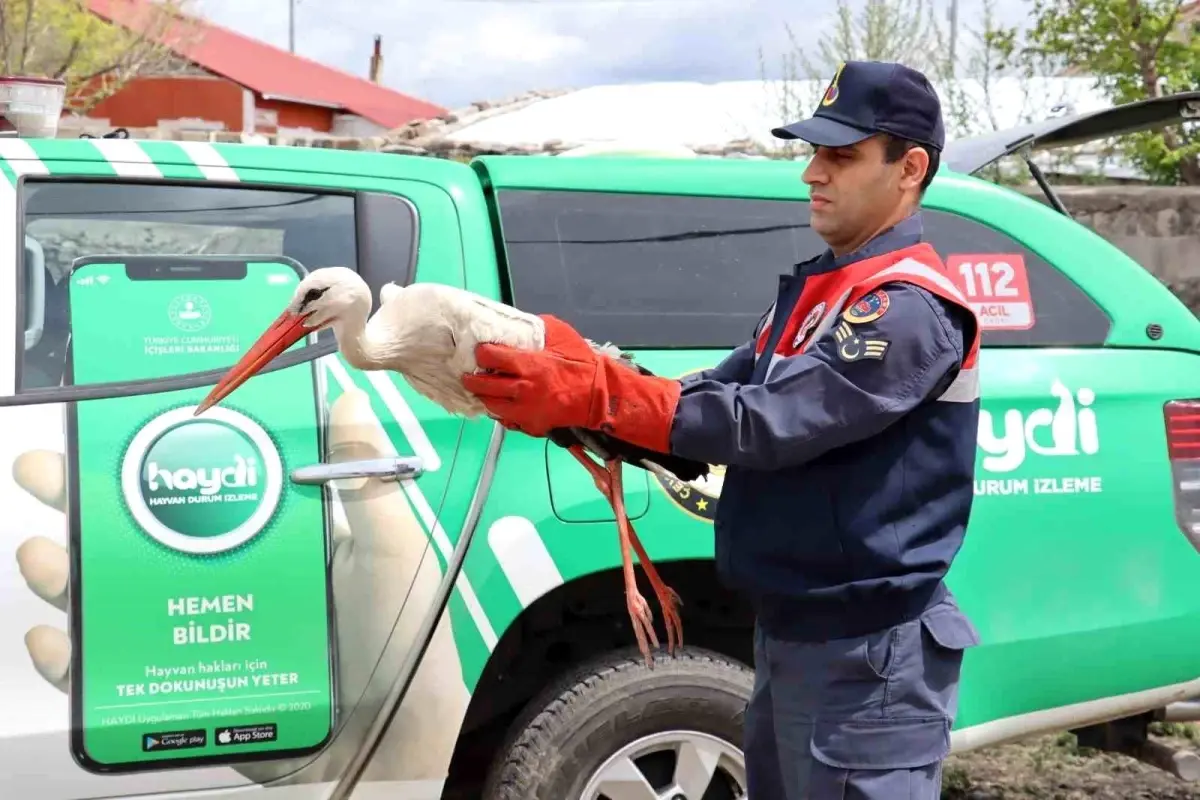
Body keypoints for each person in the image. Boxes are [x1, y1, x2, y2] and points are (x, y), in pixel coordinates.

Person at [462, 59, 983, 800]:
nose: (811, 173)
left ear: (911, 168)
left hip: (869, 656)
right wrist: (587, 397)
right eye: (813, 152)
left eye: (840, 155)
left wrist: (602, 396)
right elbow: (707, 396)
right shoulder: (821, 292)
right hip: (798, 634)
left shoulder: (905, 307)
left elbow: (767, 424)